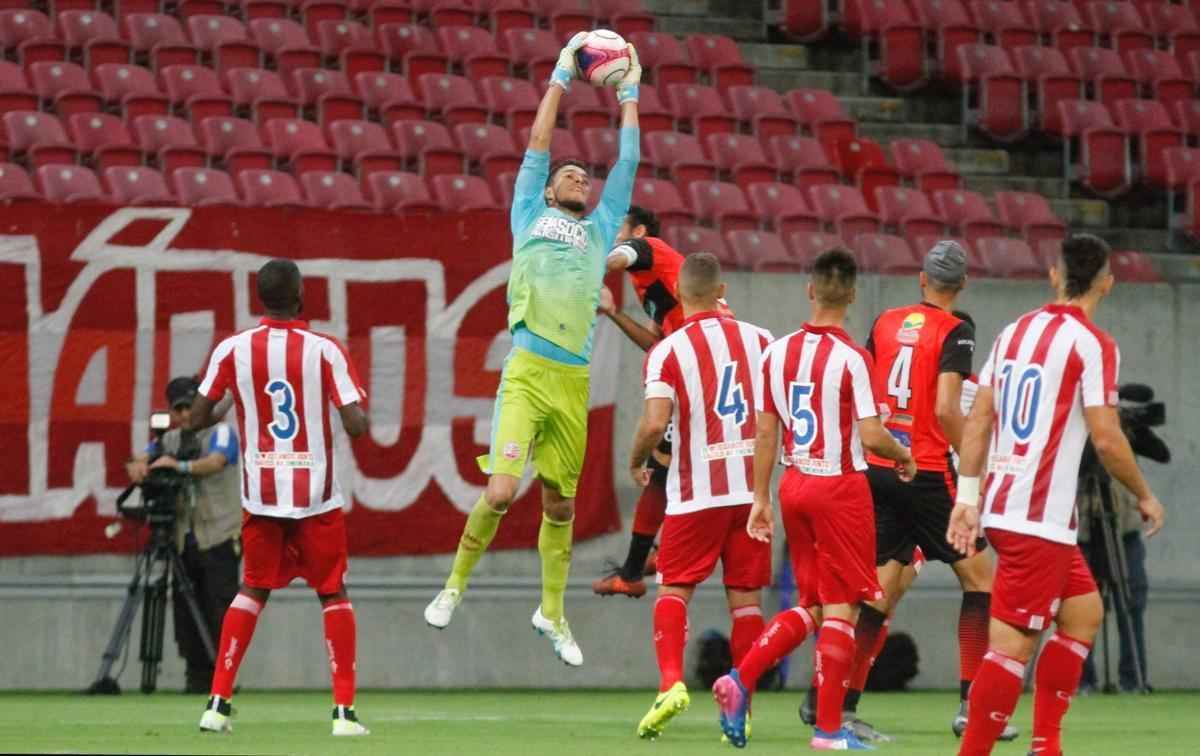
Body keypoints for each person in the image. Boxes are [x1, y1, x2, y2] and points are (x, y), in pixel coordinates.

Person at [422, 32, 642, 666]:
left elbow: (625, 165)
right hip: (527, 371)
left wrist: (629, 95)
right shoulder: (529, 213)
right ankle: (453, 586)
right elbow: (539, 146)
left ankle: (552, 611)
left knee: (561, 502)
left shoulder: (600, 229)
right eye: (568, 175)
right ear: (547, 192)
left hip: (574, 381)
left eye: (582, 174)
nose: (578, 175)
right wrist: (558, 80)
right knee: (499, 492)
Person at [947, 233, 1165, 756]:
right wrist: (1144, 494)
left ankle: (1047, 745)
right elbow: (1108, 440)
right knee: (1012, 648)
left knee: (1084, 612)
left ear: (1053, 275)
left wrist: (969, 496)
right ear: (1107, 285)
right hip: (1034, 517)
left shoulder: (1013, 332)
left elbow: (978, 418)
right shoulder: (1093, 344)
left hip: (1013, 506)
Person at [711, 248, 917, 752]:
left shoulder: (775, 353)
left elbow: (765, 431)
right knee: (843, 608)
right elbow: (870, 435)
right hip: (839, 488)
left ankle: (741, 679)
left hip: (793, 485)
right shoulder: (853, 358)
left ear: (810, 290)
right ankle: (828, 731)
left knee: (814, 606)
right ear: (851, 295)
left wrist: (759, 497)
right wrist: (903, 456)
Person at [828, 241, 1014, 743]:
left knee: (878, 593)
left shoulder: (887, 320)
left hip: (880, 466)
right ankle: (971, 706)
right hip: (928, 471)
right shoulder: (958, 329)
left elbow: (863, 388)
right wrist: (971, 461)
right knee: (980, 582)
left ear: (921, 278)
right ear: (964, 284)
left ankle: (836, 707)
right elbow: (949, 406)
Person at [190, 258, 371, 736]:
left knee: (252, 589)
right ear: (301, 295)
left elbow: (197, 416)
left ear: (259, 298)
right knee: (333, 591)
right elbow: (356, 425)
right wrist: (348, 409)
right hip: (316, 495)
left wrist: (234, 401)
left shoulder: (232, 349)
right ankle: (343, 714)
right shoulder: (324, 350)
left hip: (261, 494)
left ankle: (217, 704)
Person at [627, 252, 774, 739]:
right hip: (749, 491)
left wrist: (636, 459)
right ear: (722, 291)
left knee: (675, 589)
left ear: (680, 297)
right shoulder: (761, 341)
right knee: (746, 600)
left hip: (696, 493)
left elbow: (653, 422)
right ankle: (742, 699)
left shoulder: (667, 352)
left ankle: (671, 684)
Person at [592, 205, 717, 598]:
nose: (612, 235)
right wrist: (613, 314)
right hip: (695, 361)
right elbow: (655, 341)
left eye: (618, 228)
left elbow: (619, 255)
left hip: (704, 361)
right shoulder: (647, 282)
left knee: (660, 465)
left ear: (639, 231)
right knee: (664, 468)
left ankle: (640, 566)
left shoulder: (650, 249)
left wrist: (587, 263)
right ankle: (647, 558)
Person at [124, 376, 241, 694]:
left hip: (218, 535)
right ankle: (196, 676)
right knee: (187, 613)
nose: (187, 415)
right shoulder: (169, 439)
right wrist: (138, 468)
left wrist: (180, 468)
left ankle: (223, 677)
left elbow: (217, 461)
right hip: (182, 538)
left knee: (220, 608)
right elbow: (141, 459)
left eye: (191, 406)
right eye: (180, 409)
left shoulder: (221, 432)